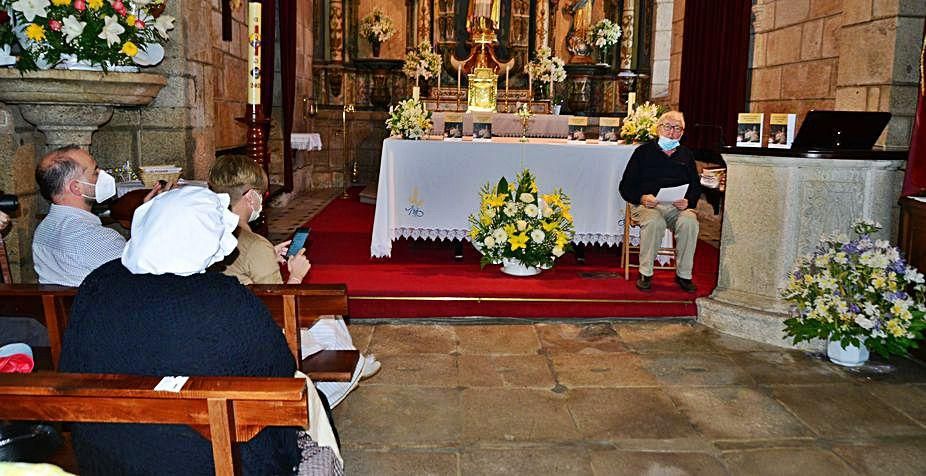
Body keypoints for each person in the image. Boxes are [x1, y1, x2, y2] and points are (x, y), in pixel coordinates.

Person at [58, 187, 342, 475]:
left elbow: (70, 365)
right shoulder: (221, 297)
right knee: (302, 398)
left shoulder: (99, 282)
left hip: (107, 456)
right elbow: (281, 368)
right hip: (211, 458)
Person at [208, 155, 380, 407]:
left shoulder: (208, 231)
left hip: (223, 320)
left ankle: (356, 362)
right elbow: (279, 307)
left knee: (326, 318)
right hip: (259, 332)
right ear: (249, 197)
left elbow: (240, 271)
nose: (262, 201)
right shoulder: (255, 245)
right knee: (327, 318)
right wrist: (296, 274)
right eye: (262, 195)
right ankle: (333, 383)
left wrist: (269, 255)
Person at [32, 146, 168, 286]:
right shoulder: (94, 238)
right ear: (76, 187)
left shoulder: (43, 229)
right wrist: (157, 216)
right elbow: (146, 271)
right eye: (95, 172)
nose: (102, 175)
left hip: (71, 305)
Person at [619, 111, 701, 293]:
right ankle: (645, 273)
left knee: (689, 222)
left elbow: (696, 187)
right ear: (658, 129)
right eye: (668, 127)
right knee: (655, 222)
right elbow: (625, 186)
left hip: (676, 207)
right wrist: (642, 197)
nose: (672, 132)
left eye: (677, 128)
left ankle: (684, 274)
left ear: (682, 132)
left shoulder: (686, 155)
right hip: (648, 205)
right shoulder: (643, 152)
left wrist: (688, 201)